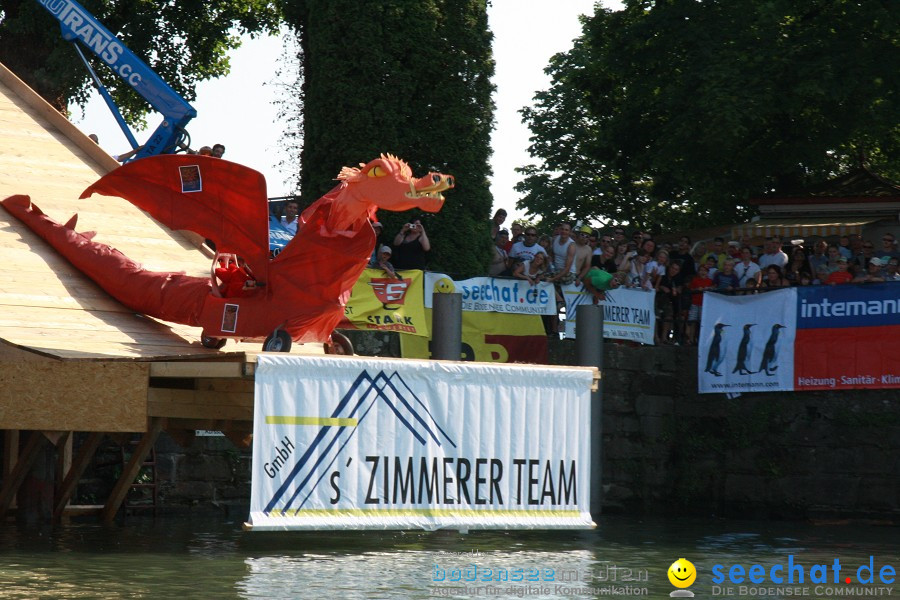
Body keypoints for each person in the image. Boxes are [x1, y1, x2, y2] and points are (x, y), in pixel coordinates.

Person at [685, 265, 713, 345]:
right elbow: (691, 289)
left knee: (702, 323)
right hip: (695, 303)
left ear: (707, 272)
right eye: (701, 270)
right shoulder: (695, 280)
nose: (702, 272)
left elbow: (713, 289)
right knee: (692, 321)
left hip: (704, 304)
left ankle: (701, 339)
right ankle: (690, 339)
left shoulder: (710, 281)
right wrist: (697, 289)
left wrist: (709, 288)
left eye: (704, 270)